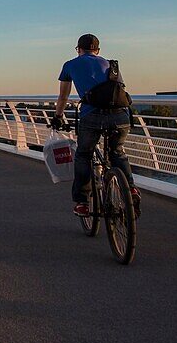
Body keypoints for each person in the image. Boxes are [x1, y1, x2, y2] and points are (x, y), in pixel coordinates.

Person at [52, 34, 140, 217]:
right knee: (117, 152)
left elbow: (63, 97)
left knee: (84, 155)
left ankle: (82, 202)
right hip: (121, 115)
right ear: (98, 51)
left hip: (92, 116)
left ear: (78, 49)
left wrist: (58, 117)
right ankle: (130, 189)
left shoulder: (70, 65)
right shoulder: (112, 65)